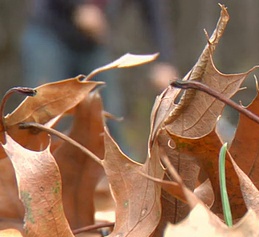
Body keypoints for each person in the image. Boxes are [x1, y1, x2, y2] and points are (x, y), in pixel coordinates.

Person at [21, 0, 178, 156]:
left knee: (109, 115)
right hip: (49, 32)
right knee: (43, 112)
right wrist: (78, 7)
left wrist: (164, 61)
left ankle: (129, 174)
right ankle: (26, 171)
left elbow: (153, 13)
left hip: (93, 44)